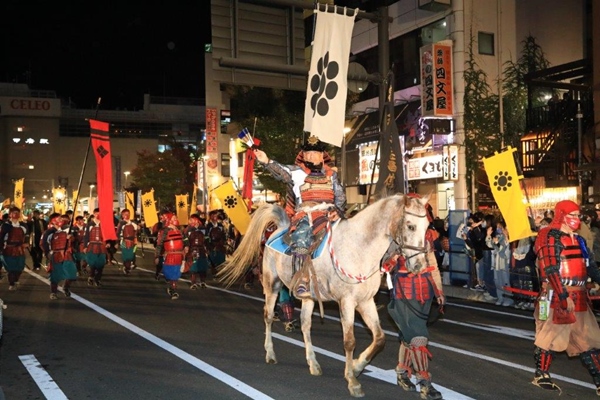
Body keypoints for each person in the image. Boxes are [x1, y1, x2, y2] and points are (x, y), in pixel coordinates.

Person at [254, 135, 346, 299]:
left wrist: (338, 211)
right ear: (303, 155)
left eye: (314, 152)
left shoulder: (332, 175)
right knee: (302, 237)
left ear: (321, 155)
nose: (310, 156)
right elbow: (281, 171)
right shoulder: (296, 172)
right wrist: (266, 161)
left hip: (329, 214)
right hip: (307, 215)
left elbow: (340, 196)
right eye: (307, 152)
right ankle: (302, 280)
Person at [532, 200, 600, 395]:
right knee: (550, 336)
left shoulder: (579, 240)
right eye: (573, 215)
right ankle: (541, 374)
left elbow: (591, 268)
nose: (577, 219)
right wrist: (563, 295)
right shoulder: (550, 237)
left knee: (588, 339)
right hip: (557, 293)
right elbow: (552, 269)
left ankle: (599, 382)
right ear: (562, 215)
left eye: (578, 215)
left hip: (579, 295)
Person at [382, 196, 444, 400]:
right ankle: (425, 381)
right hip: (403, 292)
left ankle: (401, 371)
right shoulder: (393, 237)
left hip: (424, 293)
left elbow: (432, 261)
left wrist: (439, 291)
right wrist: (393, 258)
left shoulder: (426, 237)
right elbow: (383, 263)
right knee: (419, 337)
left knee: (409, 337)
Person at [42, 214, 77, 300]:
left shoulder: (68, 229)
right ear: (53, 220)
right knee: (55, 276)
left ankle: (66, 286)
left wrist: (71, 238)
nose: (60, 220)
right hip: (56, 255)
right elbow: (43, 244)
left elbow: (74, 239)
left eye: (61, 218)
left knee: (71, 274)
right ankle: (53, 292)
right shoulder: (49, 232)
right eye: (59, 218)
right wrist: (48, 254)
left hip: (67, 255)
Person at [155, 213, 185, 299]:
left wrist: (186, 246)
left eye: (176, 217)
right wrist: (157, 256)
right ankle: (173, 290)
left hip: (179, 255)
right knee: (172, 273)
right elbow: (159, 244)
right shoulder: (165, 231)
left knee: (177, 273)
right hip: (170, 255)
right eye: (174, 217)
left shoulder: (179, 230)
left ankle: (173, 288)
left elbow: (184, 240)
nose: (176, 218)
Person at [0, 207, 29, 290]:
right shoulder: (5, 225)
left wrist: (26, 243)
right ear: (10, 214)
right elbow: (1, 237)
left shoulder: (23, 225)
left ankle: (15, 279)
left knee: (20, 267)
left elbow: (26, 235)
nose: (15, 214)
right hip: (8, 249)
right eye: (13, 212)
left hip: (20, 249)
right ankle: (11, 283)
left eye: (17, 212)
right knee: (11, 268)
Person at [486, 219, 513, 307]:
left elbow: (505, 248)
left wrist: (504, 237)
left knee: (505, 281)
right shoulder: (497, 237)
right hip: (496, 263)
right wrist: (488, 235)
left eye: (500, 227)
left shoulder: (506, 237)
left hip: (504, 263)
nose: (498, 229)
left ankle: (508, 299)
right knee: (497, 280)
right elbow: (490, 245)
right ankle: (500, 297)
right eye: (497, 227)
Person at [183, 214, 209, 289]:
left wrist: (207, 248)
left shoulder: (203, 228)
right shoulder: (188, 229)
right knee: (193, 266)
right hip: (192, 249)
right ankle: (193, 282)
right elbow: (185, 239)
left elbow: (207, 239)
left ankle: (203, 282)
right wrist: (186, 246)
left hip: (202, 249)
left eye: (192, 219)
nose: (190, 221)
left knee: (203, 266)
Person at [83, 208, 108, 286]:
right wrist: (85, 246)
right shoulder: (89, 224)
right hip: (92, 246)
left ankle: (98, 279)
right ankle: (91, 276)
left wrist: (109, 243)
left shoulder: (104, 224)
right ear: (94, 214)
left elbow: (108, 235)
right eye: (97, 213)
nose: (98, 215)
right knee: (92, 264)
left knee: (101, 264)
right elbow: (86, 236)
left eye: (100, 214)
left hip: (102, 246)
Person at [116, 209, 139, 275]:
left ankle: (131, 265)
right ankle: (126, 267)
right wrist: (117, 242)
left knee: (132, 254)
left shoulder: (133, 224)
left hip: (133, 242)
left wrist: (139, 229)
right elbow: (117, 233)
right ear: (122, 215)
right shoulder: (121, 224)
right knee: (126, 256)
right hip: (123, 242)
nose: (127, 215)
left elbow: (136, 233)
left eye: (128, 213)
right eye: (125, 214)